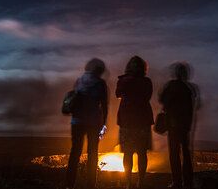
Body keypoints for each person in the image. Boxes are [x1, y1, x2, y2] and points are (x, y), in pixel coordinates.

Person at [65, 58, 108, 189]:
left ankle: (69, 184)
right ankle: (91, 185)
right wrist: (103, 123)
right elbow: (105, 106)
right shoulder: (100, 84)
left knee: (75, 152)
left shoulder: (79, 81)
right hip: (93, 122)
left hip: (77, 121)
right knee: (92, 153)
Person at [159, 62, 199, 189]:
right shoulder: (190, 88)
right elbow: (191, 106)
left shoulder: (171, 86)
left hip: (173, 125)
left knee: (174, 154)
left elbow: (162, 99)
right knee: (186, 154)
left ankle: (177, 182)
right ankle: (188, 182)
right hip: (185, 125)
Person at [116, 56, 154, 189]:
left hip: (127, 121)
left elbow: (118, 93)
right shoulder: (147, 81)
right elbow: (148, 96)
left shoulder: (124, 80)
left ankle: (128, 182)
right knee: (141, 152)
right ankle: (140, 181)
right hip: (142, 120)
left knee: (128, 153)